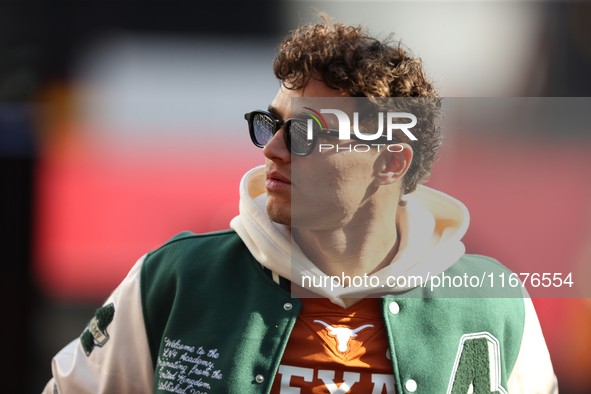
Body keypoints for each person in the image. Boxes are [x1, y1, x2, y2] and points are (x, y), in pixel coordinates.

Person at [44, 16, 557, 394]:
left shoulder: (494, 303)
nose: (271, 149)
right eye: (272, 125)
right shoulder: (176, 277)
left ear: (391, 162)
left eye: (307, 133)